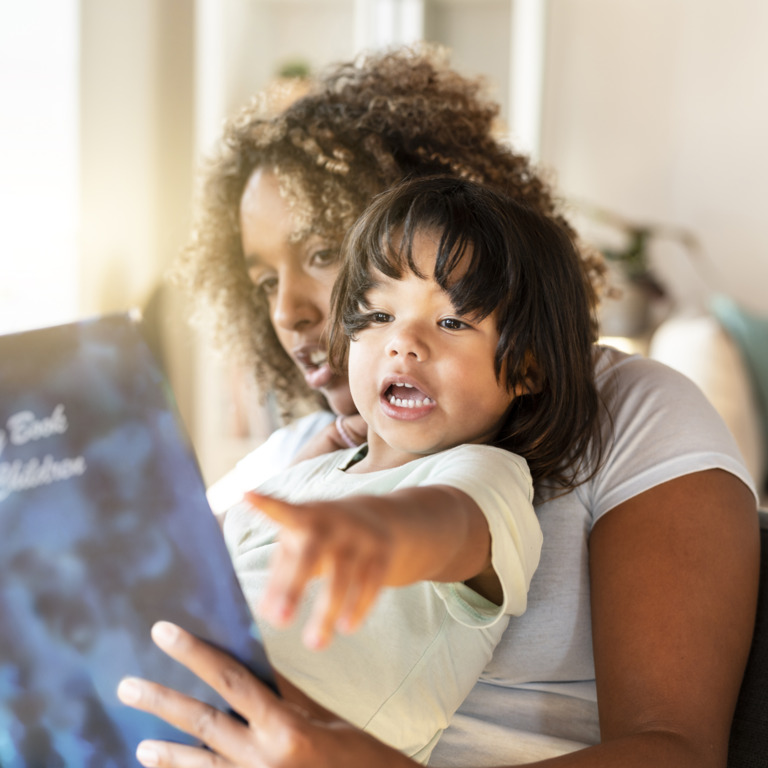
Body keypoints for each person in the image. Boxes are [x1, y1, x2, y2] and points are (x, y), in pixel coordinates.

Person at [117, 47, 760, 768]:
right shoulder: (291, 461)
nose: (291, 313)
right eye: (263, 280)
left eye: (326, 251)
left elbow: (444, 521)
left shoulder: (570, 436)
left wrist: (378, 529)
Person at [219, 174, 599, 761]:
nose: (403, 342)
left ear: (526, 367)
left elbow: (449, 527)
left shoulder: (486, 475)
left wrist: (381, 529)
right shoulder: (295, 477)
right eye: (376, 315)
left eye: (451, 322)